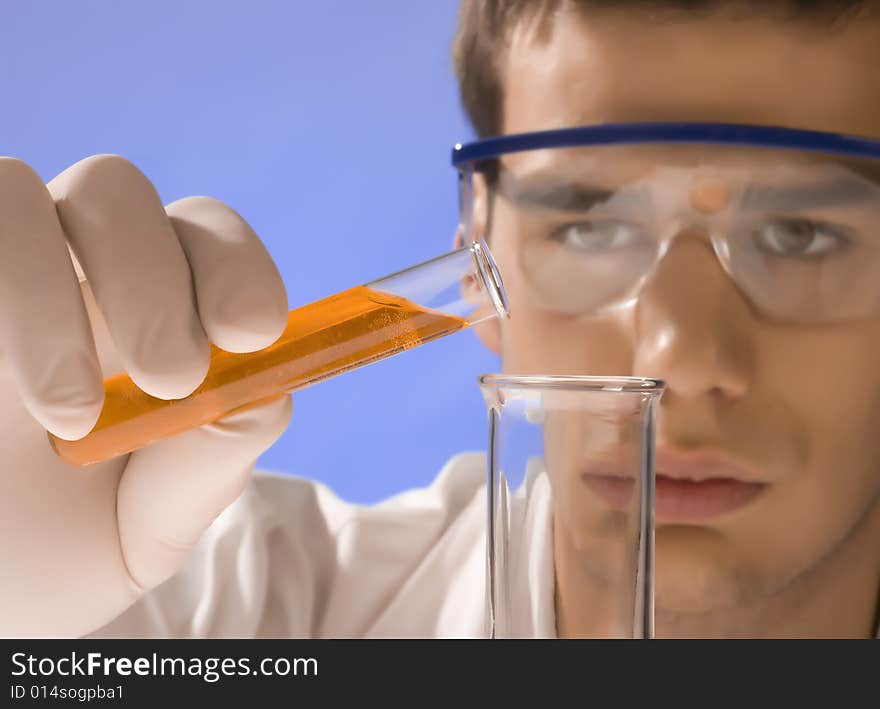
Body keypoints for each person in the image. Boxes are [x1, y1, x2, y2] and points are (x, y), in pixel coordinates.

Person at [2, 0, 879, 639]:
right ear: (477, 239)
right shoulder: (238, 623)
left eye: (800, 233)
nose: (678, 357)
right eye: (590, 224)